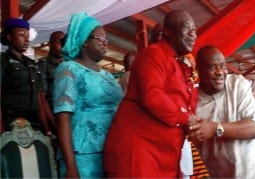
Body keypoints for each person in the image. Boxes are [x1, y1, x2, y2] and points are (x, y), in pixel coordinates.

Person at [104, 10, 199, 178]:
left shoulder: (179, 65)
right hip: (140, 151)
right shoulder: (152, 54)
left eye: (195, 29)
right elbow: (152, 95)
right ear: (168, 31)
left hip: (164, 153)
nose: (193, 33)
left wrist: (196, 124)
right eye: (187, 27)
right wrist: (186, 118)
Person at [188, 45, 255, 178]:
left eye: (223, 66)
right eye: (212, 67)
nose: (220, 72)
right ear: (198, 70)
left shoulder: (237, 84)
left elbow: (254, 128)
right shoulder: (192, 101)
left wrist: (214, 128)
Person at [53, 12, 123, 178]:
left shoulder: (108, 75)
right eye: (100, 38)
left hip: (112, 152)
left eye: (106, 38)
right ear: (84, 40)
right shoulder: (68, 70)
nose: (105, 42)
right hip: (83, 156)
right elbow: (63, 119)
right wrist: (71, 167)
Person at [0, 18, 51, 135]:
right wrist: (1, 131)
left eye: (27, 35)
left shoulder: (31, 63)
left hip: (35, 124)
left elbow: (39, 99)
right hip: (13, 124)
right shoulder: (3, 61)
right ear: (9, 37)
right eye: (22, 35)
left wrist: (46, 129)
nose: (27, 39)